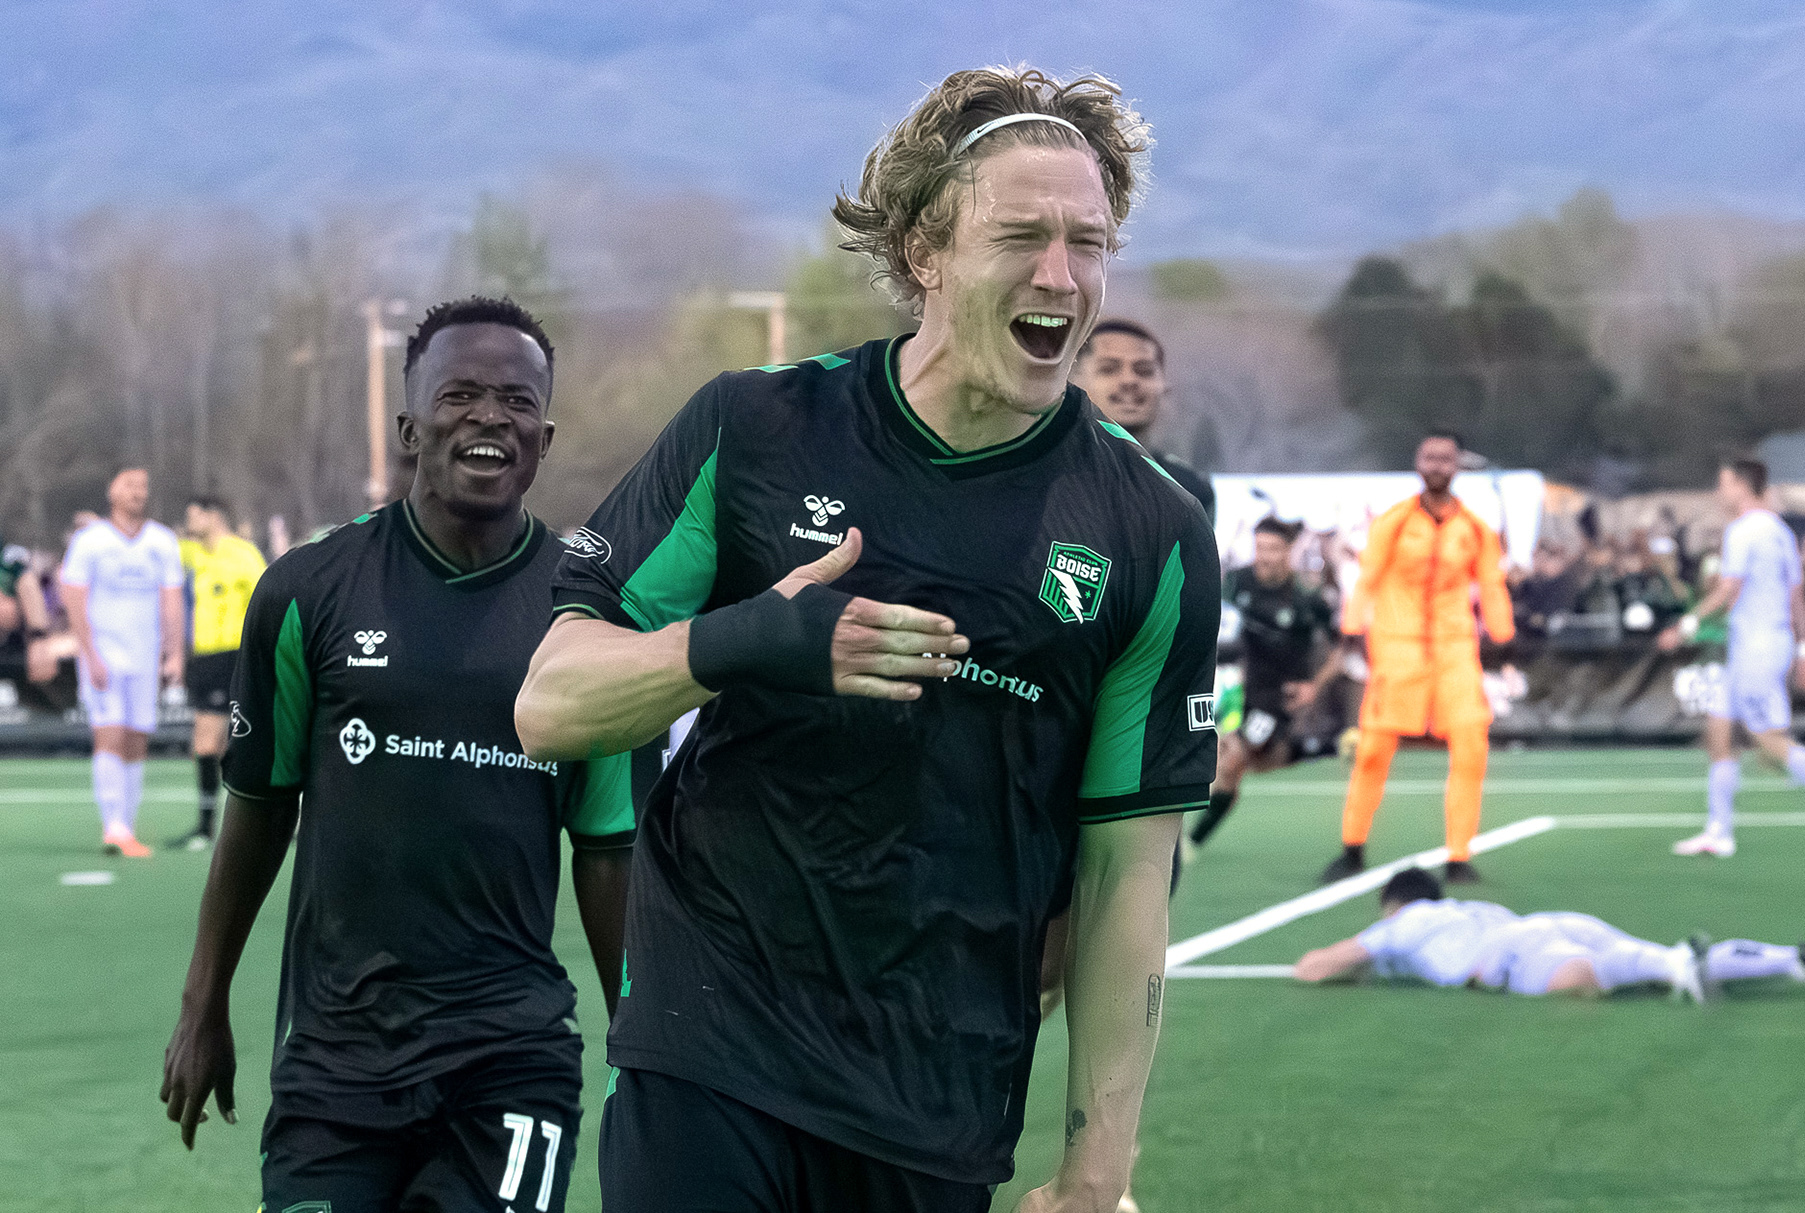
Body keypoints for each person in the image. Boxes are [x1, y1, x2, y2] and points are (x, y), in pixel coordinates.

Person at [516, 67, 1217, 1213]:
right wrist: (753, 637)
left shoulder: (1153, 531)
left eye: (1089, 242)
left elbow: (1128, 873)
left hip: (938, 1090)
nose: (1061, 276)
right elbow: (551, 700)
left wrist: (1098, 1175)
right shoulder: (757, 428)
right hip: (710, 1040)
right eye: (1022, 236)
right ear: (924, 249)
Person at [160, 298, 635, 1213]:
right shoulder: (309, 590)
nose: (489, 416)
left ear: (545, 434)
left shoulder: (592, 614)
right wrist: (202, 1001)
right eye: (459, 394)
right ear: (410, 425)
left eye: (514, 399)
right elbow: (259, 807)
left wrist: (642, 1044)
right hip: (335, 1060)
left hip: (512, 1057)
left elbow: (608, 848)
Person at [1657, 458, 1805, 858]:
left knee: (1767, 740)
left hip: (1757, 648)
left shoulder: (1743, 531)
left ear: (1742, 486)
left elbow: (1729, 591)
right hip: (1761, 646)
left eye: (1723, 483)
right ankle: (1719, 832)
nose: (1719, 492)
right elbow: (1797, 596)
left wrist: (1685, 627)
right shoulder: (1781, 532)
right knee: (1719, 733)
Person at [1321, 431, 1513, 886]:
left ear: (1458, 465)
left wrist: (1504, 634)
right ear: (1417, 462)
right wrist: (1352, 626)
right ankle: (1352, 846)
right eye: (1430, 457)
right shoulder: (1394, 521)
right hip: (1397, 648)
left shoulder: (1474, 529)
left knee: (1471, 745)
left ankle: (1459, 855)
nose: (1437, 465)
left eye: (1446, 458)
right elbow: (1368, 577)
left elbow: (1491, 583)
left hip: (1454, 648)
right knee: (1372, 750)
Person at [1294, 866, 1805, 999]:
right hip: (1550, 921)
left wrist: (1337, 958)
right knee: (1640, 956)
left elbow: (1319, 965)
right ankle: (1792, 961)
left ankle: (1678, 968)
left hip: (1509, 954)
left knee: (1580, 980)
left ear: (1391, 905)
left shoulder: (1404, 925)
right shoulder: (1464, 910)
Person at [58, 467, 185, 858]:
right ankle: (112, 825)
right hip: (105, 655)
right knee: (109, 733)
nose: (138, 493)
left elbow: (172, 599)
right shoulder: (90, 541)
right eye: (130, 485)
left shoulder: (161, 541)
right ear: (112, 490)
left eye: (143, 487)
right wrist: (89, 652)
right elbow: (74, 596)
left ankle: (126, 825)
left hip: (144, 655)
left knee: (136, 738)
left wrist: (175, 652)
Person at [1194, 517, 1341, 848]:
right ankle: (1314, 748)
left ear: (1289, 551)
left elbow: (1338, 654)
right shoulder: (1237, 582)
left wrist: (1313, 687)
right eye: (1260, 547)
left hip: (1277, 697)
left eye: (1273, 549)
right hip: (1238, 686)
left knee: (1234, 761)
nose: (1264, 556)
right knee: (1233, 761)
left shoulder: (1306, 598)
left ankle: (1193, 841)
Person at [168, 494, 268, 850]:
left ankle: (207, 826)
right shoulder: (193, 554)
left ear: (213, 517)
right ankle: (229, 824)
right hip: (203, 658)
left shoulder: (243, 554)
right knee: (221, 743)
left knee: (209, 741)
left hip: (234, 655)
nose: (188, 523)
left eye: (193, 515)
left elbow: (267, 600)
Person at [1074, 317, 1215, 519]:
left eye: (1144, 371)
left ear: (1164, 385)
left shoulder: (1190, 491)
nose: (1129, 380)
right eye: (1109, 369)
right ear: (1072, 382)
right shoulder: (1043, 475)